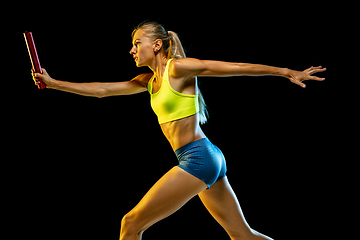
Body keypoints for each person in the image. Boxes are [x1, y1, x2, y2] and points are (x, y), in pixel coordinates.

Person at [32, 21, 326, 240]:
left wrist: (285, 71)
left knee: (130, 224)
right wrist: (55, 83)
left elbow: (232, 67)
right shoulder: (147, 81)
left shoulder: (177, 69)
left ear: (156, 45)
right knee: (243, 236)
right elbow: (102, 90)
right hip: (206, 156)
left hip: (198, 157)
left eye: (137, 43)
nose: (132, 49)